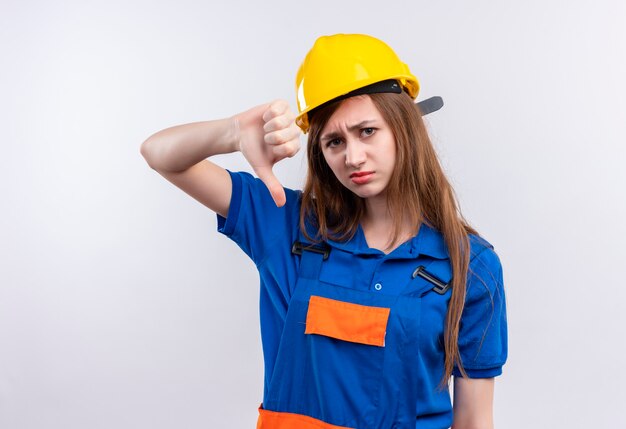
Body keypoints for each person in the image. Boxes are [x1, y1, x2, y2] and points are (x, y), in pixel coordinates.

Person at [140, 34, 507, 429]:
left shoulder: (469, 264)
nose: (353, 157)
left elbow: (473, 422)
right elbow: (159, 154)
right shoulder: (287, 225)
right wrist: (231, 133)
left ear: (406, 128)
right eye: (334, 141)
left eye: (367, 131)